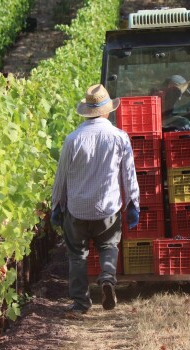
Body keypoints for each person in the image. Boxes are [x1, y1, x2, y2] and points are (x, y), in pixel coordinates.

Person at [51, 84, 140, 314]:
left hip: (77, 209)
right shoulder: (119, 137)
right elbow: (128, 174)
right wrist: (133, 204)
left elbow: (61, 177)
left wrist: (57, 205)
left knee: (78, 256)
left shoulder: (73, 139)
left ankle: (81, 303)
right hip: (107, 208)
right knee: (109, 245)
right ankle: (108, 279)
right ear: (107, 111)